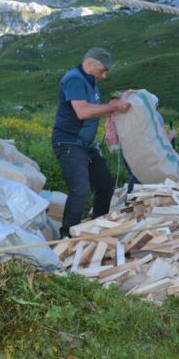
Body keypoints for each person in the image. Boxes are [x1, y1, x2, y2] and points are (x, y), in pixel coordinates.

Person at [52, 47, 131, 238]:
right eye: (102, 70)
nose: (103, 75)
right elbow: (83, 112)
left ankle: (98, 228)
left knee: (105, 184)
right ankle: (67, 236)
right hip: (69, 143)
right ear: (90, 64)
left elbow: (94, 109)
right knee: (81, 190)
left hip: (85, 145)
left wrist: (110, 110)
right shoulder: (74, 79)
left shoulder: (90, 82)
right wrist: (112, 107)